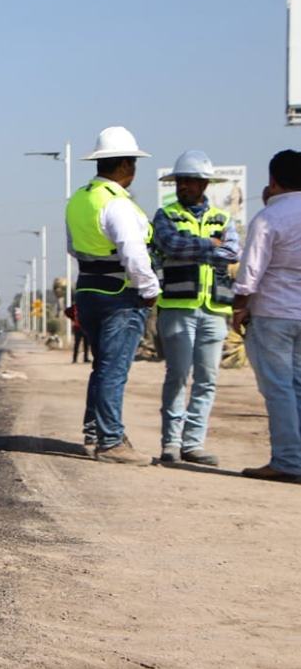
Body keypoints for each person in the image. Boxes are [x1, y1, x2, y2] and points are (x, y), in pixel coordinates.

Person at [66, 126, 161, 464]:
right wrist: (150, 290)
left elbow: (74, 248)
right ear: (123, 165)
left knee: (102, 367)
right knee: (113, 369)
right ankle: (110, 441)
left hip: (89, 294)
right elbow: (134, 254)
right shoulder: (118, 205)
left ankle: (95, 431)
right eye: (133, 163)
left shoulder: (79, 200)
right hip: (121, 296)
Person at [152, 150, 241, 466]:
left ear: (204, 184)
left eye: (189, 181)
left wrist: (199, 249)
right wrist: (210, 246)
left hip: (214, 310)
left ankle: (193, 444)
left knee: (207, 379)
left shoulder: (223, 218)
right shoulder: (166, 215)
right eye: (180, 181)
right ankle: (171, 444)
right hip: (178, 306)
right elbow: (170, 245)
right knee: (178, 375)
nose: (183, 186)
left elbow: (232, 252)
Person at [232, 149, 301, 483]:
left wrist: (239, 307)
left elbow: (249, 272)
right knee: (298, 387)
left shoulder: (269, 218)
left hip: (273, 313)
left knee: (279, 389)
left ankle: (288, 460)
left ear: (273, 180)